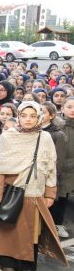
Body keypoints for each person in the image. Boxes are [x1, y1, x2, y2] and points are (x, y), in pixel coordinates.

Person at [0, 101, 68, 271]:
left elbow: (51, 167)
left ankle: (25, 266)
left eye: (32, 116)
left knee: (32, 232)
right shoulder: (8, 137)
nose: (28, 120)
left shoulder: (44, 137)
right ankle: (8, 264)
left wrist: (49, 193)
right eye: (24, 116)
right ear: (18, 117)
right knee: (9, 230)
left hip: (35, 193)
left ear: (39, 117)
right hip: (13, 191)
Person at [42, 102, 69, 238]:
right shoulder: (34, 131)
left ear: (52, 115)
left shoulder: (58, 135)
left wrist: (50, 178)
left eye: (43, 112)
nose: (40, 115)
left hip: (48, 177)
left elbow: (57, 162)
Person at [59, 97, 74, 238]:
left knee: (66, 195)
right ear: (62, 108)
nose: (72, 110)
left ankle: (59, 223)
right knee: (58, 197)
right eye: (69, 106)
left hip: (72, 168)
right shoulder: (58, 126)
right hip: (59, 167)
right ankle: (55, 224)